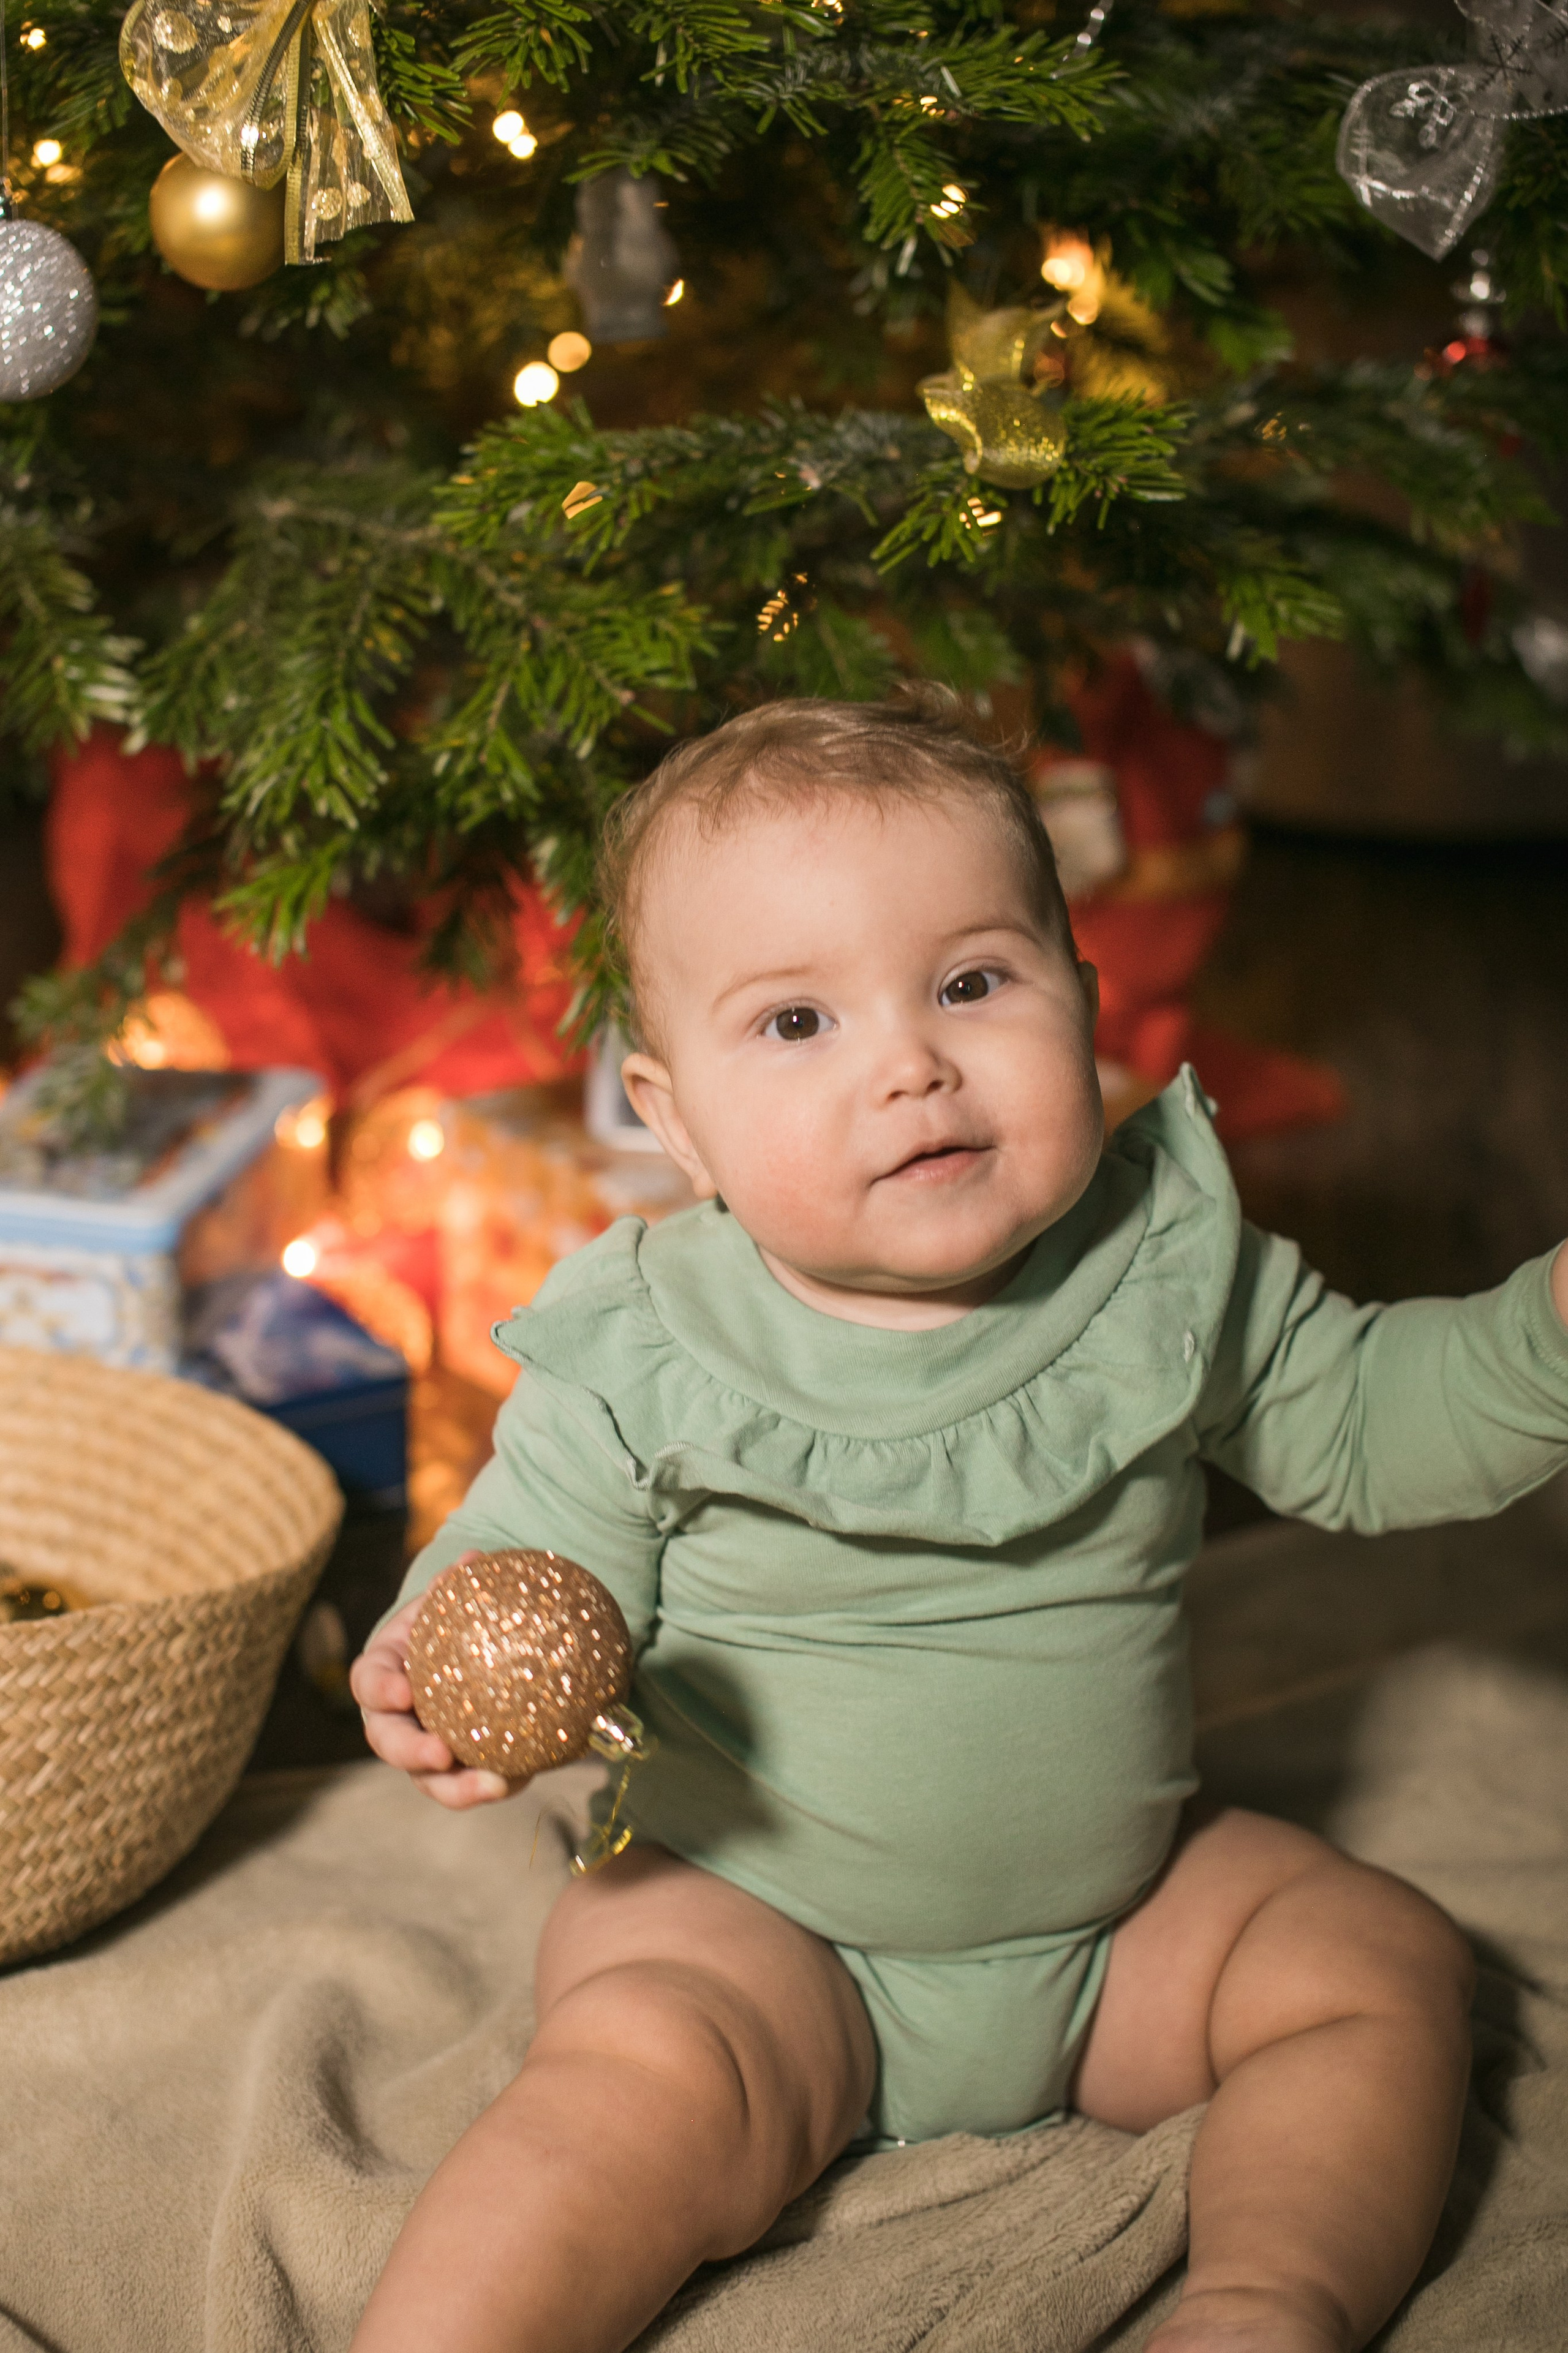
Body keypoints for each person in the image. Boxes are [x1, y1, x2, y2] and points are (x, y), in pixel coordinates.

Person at [350, 693, 1568, 2353]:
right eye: (797, 1021)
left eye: (974, 983)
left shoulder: (1161, 1263)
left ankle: (1266, 2302)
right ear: (676, 1116)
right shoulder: (647, 1345)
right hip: (759, 1927)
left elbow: (1368, 1426)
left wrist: (1540, 1334)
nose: (910, 1062)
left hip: (1117, 1927)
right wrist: (438, 1658)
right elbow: (522, 1566)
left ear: (1084, 1000)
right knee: (634, 2087)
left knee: (1381, 1963)